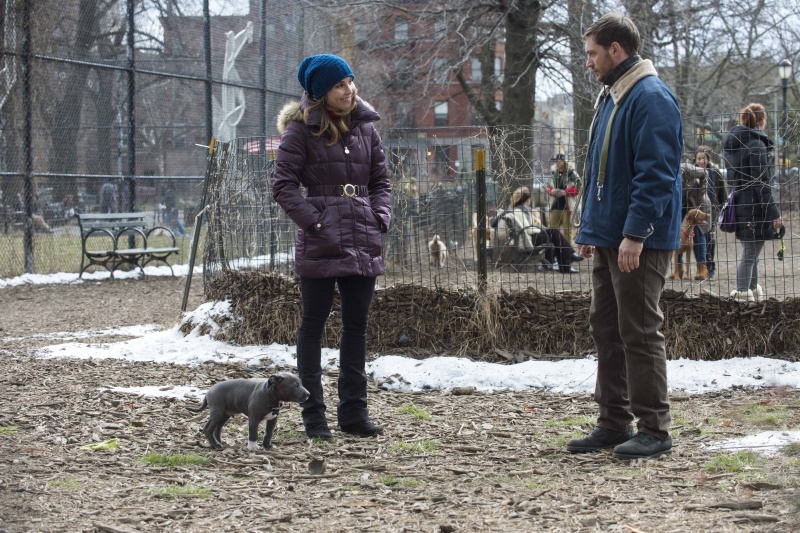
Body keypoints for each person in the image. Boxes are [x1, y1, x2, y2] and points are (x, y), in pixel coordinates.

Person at [569, 12, 683, 460]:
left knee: (639, 330)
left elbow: (656, 175)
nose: (589, 62)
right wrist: (590, 228)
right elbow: (601, 169)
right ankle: (614, 422)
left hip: (639, 241)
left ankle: (654, 429)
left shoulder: (650, 97)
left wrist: (635, 233)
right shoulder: (614, 95)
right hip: (609, 237)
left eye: (593, 53)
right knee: (607, 328)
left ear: (616, 50)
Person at [272, 54, 391, 440]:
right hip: (321, 241)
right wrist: (317, 223)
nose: (349, 90)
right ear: (321, 92)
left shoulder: (366, 128)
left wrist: (379, 217)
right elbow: (283, 186)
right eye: (340, 84)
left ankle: (354, 415)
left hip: (363, 238)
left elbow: (381, 181)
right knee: (313, 326)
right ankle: (314, 417)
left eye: (350, 81)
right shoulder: (300, 131)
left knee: (356, 328)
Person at [722, 103, 783, 302]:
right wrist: (774, 213)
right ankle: (742, 295)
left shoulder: (733, 146)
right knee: (750, 255)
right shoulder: (757, 145)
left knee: (752, 254)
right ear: (762, 120)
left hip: (740, 204)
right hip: (755, 208)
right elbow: (761, 184)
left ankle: (751, 293)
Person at [507, 186, 582, 274]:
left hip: (532, 236)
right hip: (530, 239)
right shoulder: (518, 211)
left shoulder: (525, 210)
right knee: (554, 232)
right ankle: (569, 258)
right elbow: (528, 230)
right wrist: (538, 223)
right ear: (527, 199)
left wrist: (536, 222)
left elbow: (531, 226)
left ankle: (567, 263)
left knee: (557, 238)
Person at [695, 146, 727, 278]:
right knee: (698, 238)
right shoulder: (692, 172)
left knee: (710, 239)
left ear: (708, 159)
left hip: (711, 212)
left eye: (703, 159)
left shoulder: (715, 173)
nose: (701, 161)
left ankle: (710, 265)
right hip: (696, 212)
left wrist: (722, 209)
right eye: (698, 159)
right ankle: (701, 266)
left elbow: (722, 193)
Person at [547, 153, 581, 244]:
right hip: (555, 205)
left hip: (568, 207)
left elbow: (579, 187)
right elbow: (548, 187)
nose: (557, 163)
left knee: (567, 232)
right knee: (551, 230)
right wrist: (552, 191)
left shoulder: (572, 174)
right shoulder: (554, 173)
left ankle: (568, 251)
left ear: (564, 161)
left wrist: (566, 192)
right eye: (555, 161)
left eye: (559, 161)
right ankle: (552, 249)